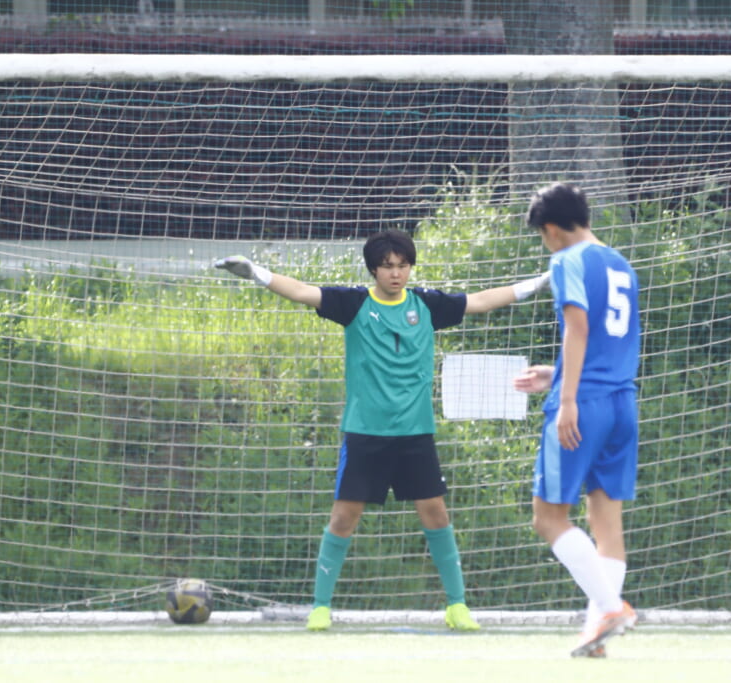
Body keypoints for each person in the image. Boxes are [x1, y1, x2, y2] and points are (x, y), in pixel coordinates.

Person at [214, 229, 548, 633]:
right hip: (364, 433)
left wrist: (537, 283)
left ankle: (457, 605)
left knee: (436, 514)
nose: (396, 273)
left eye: (403, 266)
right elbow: (302, 291)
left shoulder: (426, 304)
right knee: (344, 517)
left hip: (415, 433)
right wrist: (257, 273)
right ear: (374, 269)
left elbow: (479, 301)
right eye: (388, 266)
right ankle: (320, 607)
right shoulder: (354, 303)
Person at [512, 182, 639, 658]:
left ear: (550, 228)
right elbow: (610, 343)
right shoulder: (621, 263)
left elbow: (578, 326)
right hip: (622, 402)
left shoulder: (567, 260)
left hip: (584, 405)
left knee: (548, 517)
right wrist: (556, 373)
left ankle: (610, 608)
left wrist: (566, 398)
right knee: (606, 523)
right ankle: (597, 635)